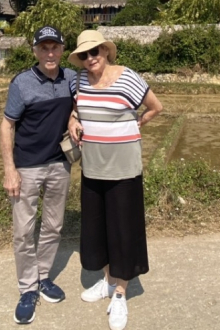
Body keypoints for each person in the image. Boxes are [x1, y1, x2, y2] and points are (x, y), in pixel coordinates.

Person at [67, 30, 163, 330]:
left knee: (123, 229)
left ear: (106, 51)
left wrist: (136, 124)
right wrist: (73, 119)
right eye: (84, 54)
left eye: (95, 51)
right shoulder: (80, 80)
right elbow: (75, 108)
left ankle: (121, 292)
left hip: (123, 168)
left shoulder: (128, 78)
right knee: (99, 228)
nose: (90, 58)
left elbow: (155, 107)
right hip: (92, 167)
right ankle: (107, 281)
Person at [0, 26, 76, 325]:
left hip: (60, 163)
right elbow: (7, 125)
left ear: (62, 49)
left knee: (54, 226)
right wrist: (10, 169)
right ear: (35, 51)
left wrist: (74, 118)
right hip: (27, 166)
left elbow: (80, 104)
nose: (50, 53)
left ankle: (43, 277)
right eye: (43, 48)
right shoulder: (22, 83)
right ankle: (27, 288)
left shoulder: (71, 78)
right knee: (23, 230)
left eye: (54, 47)